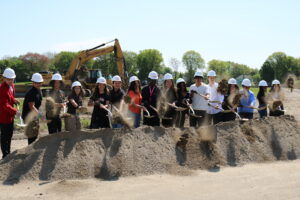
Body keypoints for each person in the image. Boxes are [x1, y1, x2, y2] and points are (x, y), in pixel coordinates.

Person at [0, 68, 19, 158]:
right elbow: (4, 105)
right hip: (3, 116)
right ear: (4, 78)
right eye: (8, 79)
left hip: (10, 115)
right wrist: (15, 111)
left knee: (10, 134)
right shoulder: (2, 89)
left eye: (12, 79)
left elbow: (10, 98)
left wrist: (14, 100)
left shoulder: (12, 86)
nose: (10, 81)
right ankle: (5, 154)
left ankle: (8, 151)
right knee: (5, 136)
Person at [22, 73, 43, 145]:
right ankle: (29, 153)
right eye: (36, 83)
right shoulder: (31, 93)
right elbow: (31, 106)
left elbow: (39, 103)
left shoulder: (39, 91)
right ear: (33, 82)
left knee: (35, 133)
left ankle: (32, 151)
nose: (38, 84)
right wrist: (40, 115)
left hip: (34, 115)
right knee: (31, 135)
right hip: (29, 116)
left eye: (39, 83)